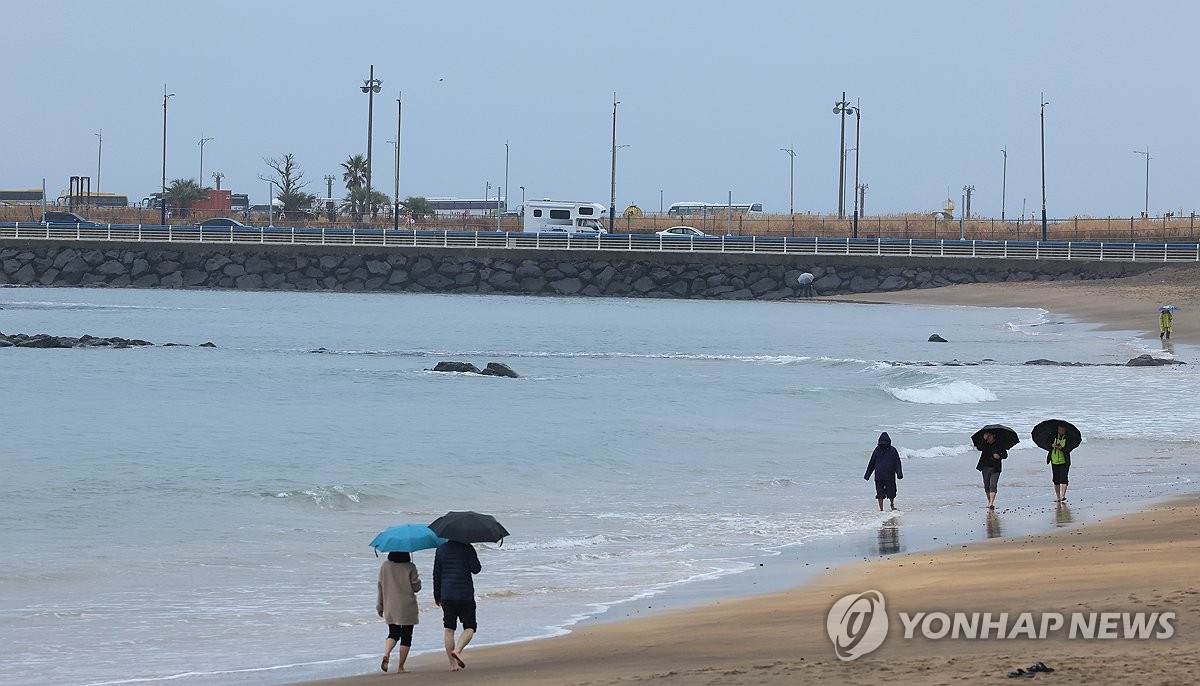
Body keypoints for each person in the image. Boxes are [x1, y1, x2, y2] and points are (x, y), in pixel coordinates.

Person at [433, 540, 481, 671]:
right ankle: (458, 650)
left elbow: (436, 574)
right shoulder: (467, 547)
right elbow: (476, 569)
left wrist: (436, 595)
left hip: (446, 594)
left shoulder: (441, 549)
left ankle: (452, 665)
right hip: (464, 594)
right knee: (470, 626)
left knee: (449, 629)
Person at [376, 551, 422, 673]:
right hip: (407, 606)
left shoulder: (385, 566)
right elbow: (416, 588)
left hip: (390, 604)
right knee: (406, 636)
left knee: (393, 633)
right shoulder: (410, 566)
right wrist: (417, 578)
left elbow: (380, 586)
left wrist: (380, 606)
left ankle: (386, 653)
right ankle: (401, 667)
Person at [863, 431, 903, 511]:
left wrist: (867, 475)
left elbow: (871, 463)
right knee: (889, 492)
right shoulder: (884, 450)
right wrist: (899, 473)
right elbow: (897, 463)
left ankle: (884, 508)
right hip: (886, 475)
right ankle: (887, 507)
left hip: (881, 475)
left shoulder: (890, 450)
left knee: (882, 493)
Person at [975, 431, 1007, 509]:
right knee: (986, 485)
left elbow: (1005, 455)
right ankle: (989, 502)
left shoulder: (999, 444)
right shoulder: (984, 443)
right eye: (987, 436)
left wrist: (999, 456)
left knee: (993, 485)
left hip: (995, 467)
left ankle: (991, 503)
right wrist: (984, 439)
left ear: (993, 436)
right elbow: (979, 448)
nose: (988, 438)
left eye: (989, 436)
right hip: (985, 466)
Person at [1048, 424, 1072, 502]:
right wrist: (1052, 445)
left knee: (1064, 478)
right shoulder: (1053, 437)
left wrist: (1060, 448)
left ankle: (1063, 495)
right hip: (1054, 460)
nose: (1060, 431)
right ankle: (1058, 497)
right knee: (1056, 479)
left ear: (1065, 430)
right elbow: (1048, 446)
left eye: (1062, 430)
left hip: (1064, 461)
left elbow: (1068, 449)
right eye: (1059, 430)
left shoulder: (1068, 438)